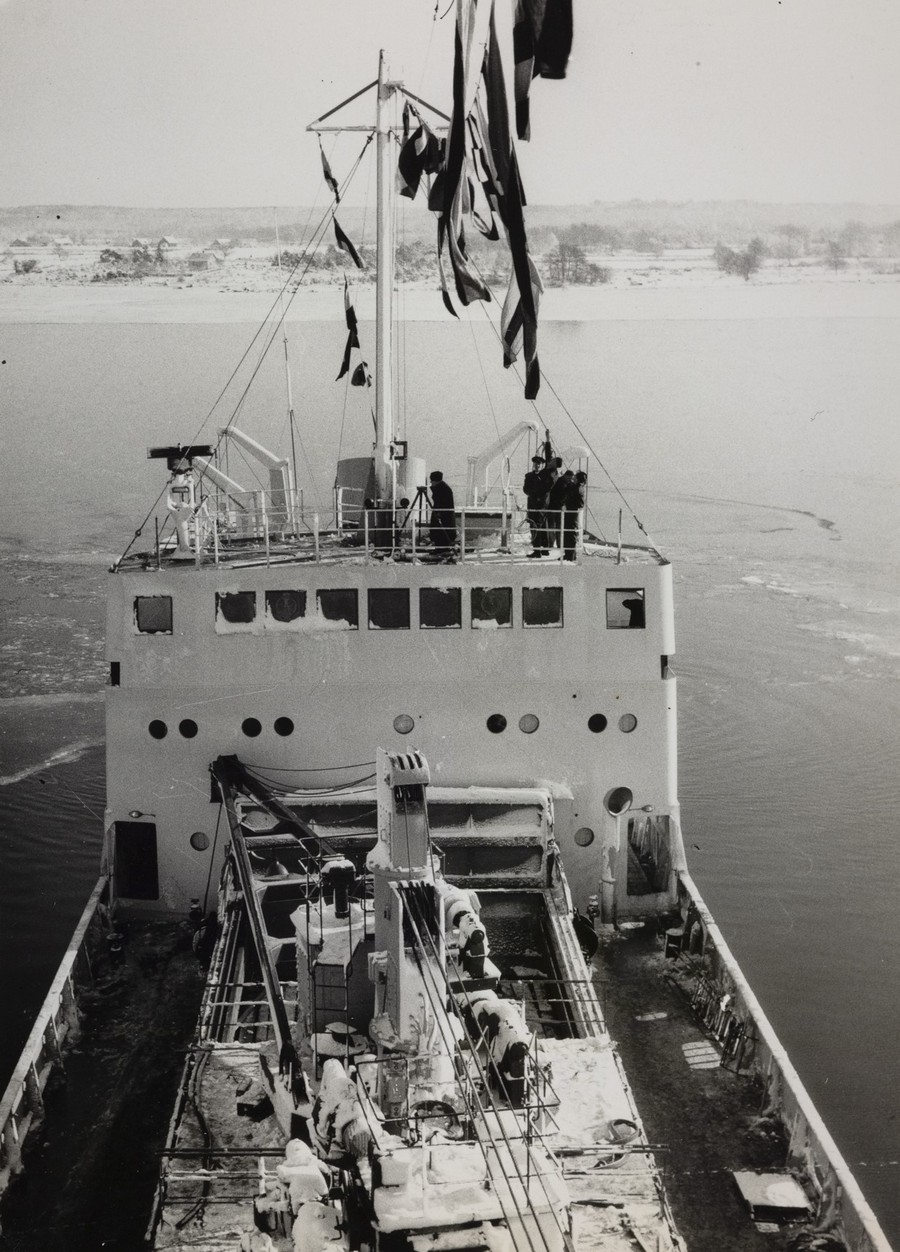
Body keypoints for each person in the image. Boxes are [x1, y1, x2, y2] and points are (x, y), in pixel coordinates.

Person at [523, 455, 548, 557]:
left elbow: (546, 489)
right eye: (535, 464)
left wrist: (538, 496)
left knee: (543, 527)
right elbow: (525, 489)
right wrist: (533, 494)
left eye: (539, 464)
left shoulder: (545, 477)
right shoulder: (529, 476)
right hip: (533, 506)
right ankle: (537, 550)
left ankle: (544, 549)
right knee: (534, 527)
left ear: (542, 465)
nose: (537, 466)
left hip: (542, 506)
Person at [428, 470, 456, 559]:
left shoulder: (442, 489)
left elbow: (440, 502)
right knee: (440, 531)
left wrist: (439, 514)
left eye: (431, 480)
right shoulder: (443, 487)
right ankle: (440, 548)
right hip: (443, 514)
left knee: (441, 531)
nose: (430, 482)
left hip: (442, 515)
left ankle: (442, 549)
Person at [562, 470, 586, 561]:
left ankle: (570, 555)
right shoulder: (577, 487)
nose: (573, 478)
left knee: (570, 533)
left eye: (575, 477)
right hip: (570, 512)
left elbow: (580, 503)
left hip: (572, 513)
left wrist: (570, 505)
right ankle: (568, 554)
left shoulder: (578, 488)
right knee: (568, 533)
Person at [546, 468, 572, 550]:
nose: (569, 480)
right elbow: (559, 495)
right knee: (553, 526)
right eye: (568, 478)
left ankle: (557, 544)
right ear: (565, 476)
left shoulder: (566, 483)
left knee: (559, 527)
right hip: (554, 507)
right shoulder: (559, 482)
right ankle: (552, 543)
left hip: (559, 507)